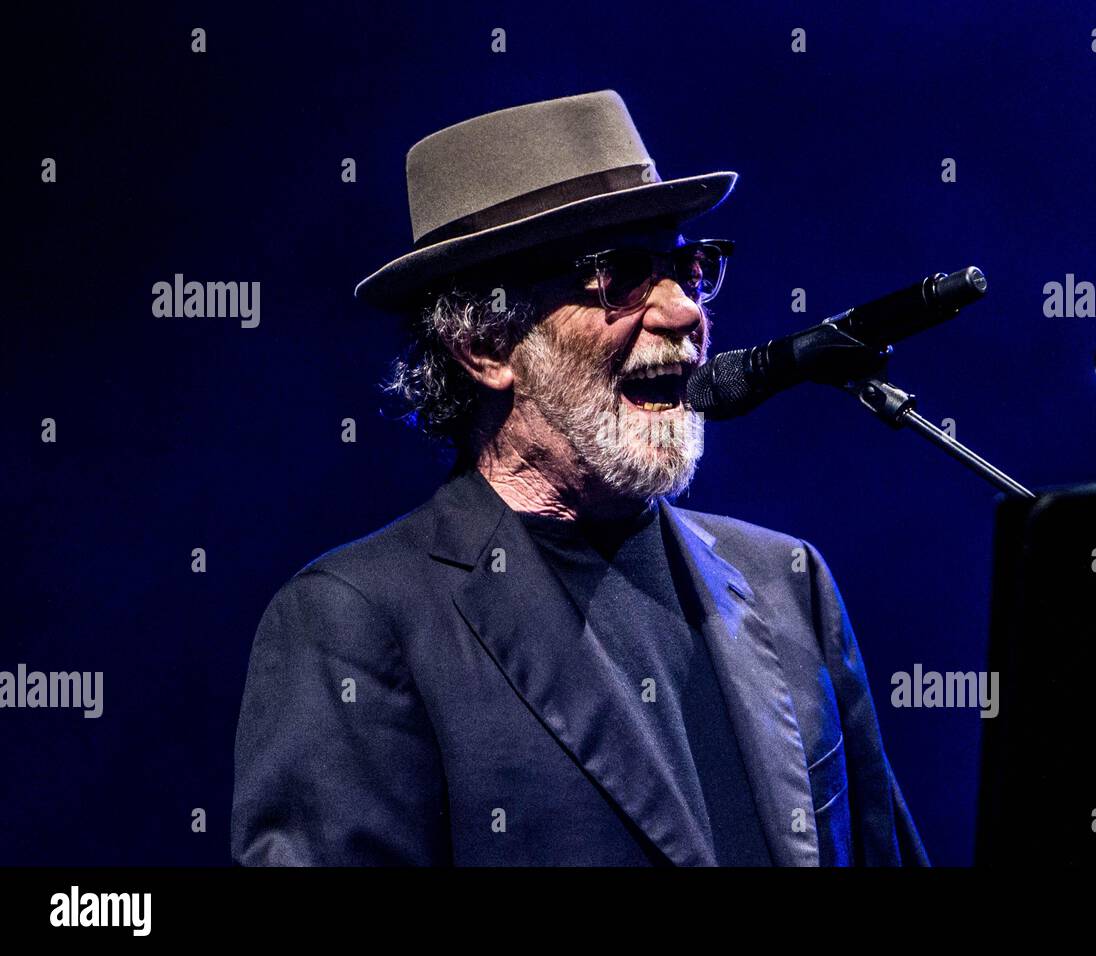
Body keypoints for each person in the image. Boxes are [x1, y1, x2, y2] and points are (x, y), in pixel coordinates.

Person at [231, 89, 928, 866]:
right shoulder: (358, 621)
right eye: (622, 276)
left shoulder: (787, 582)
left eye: (687, 269)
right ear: (485, 347)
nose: (682, 313)